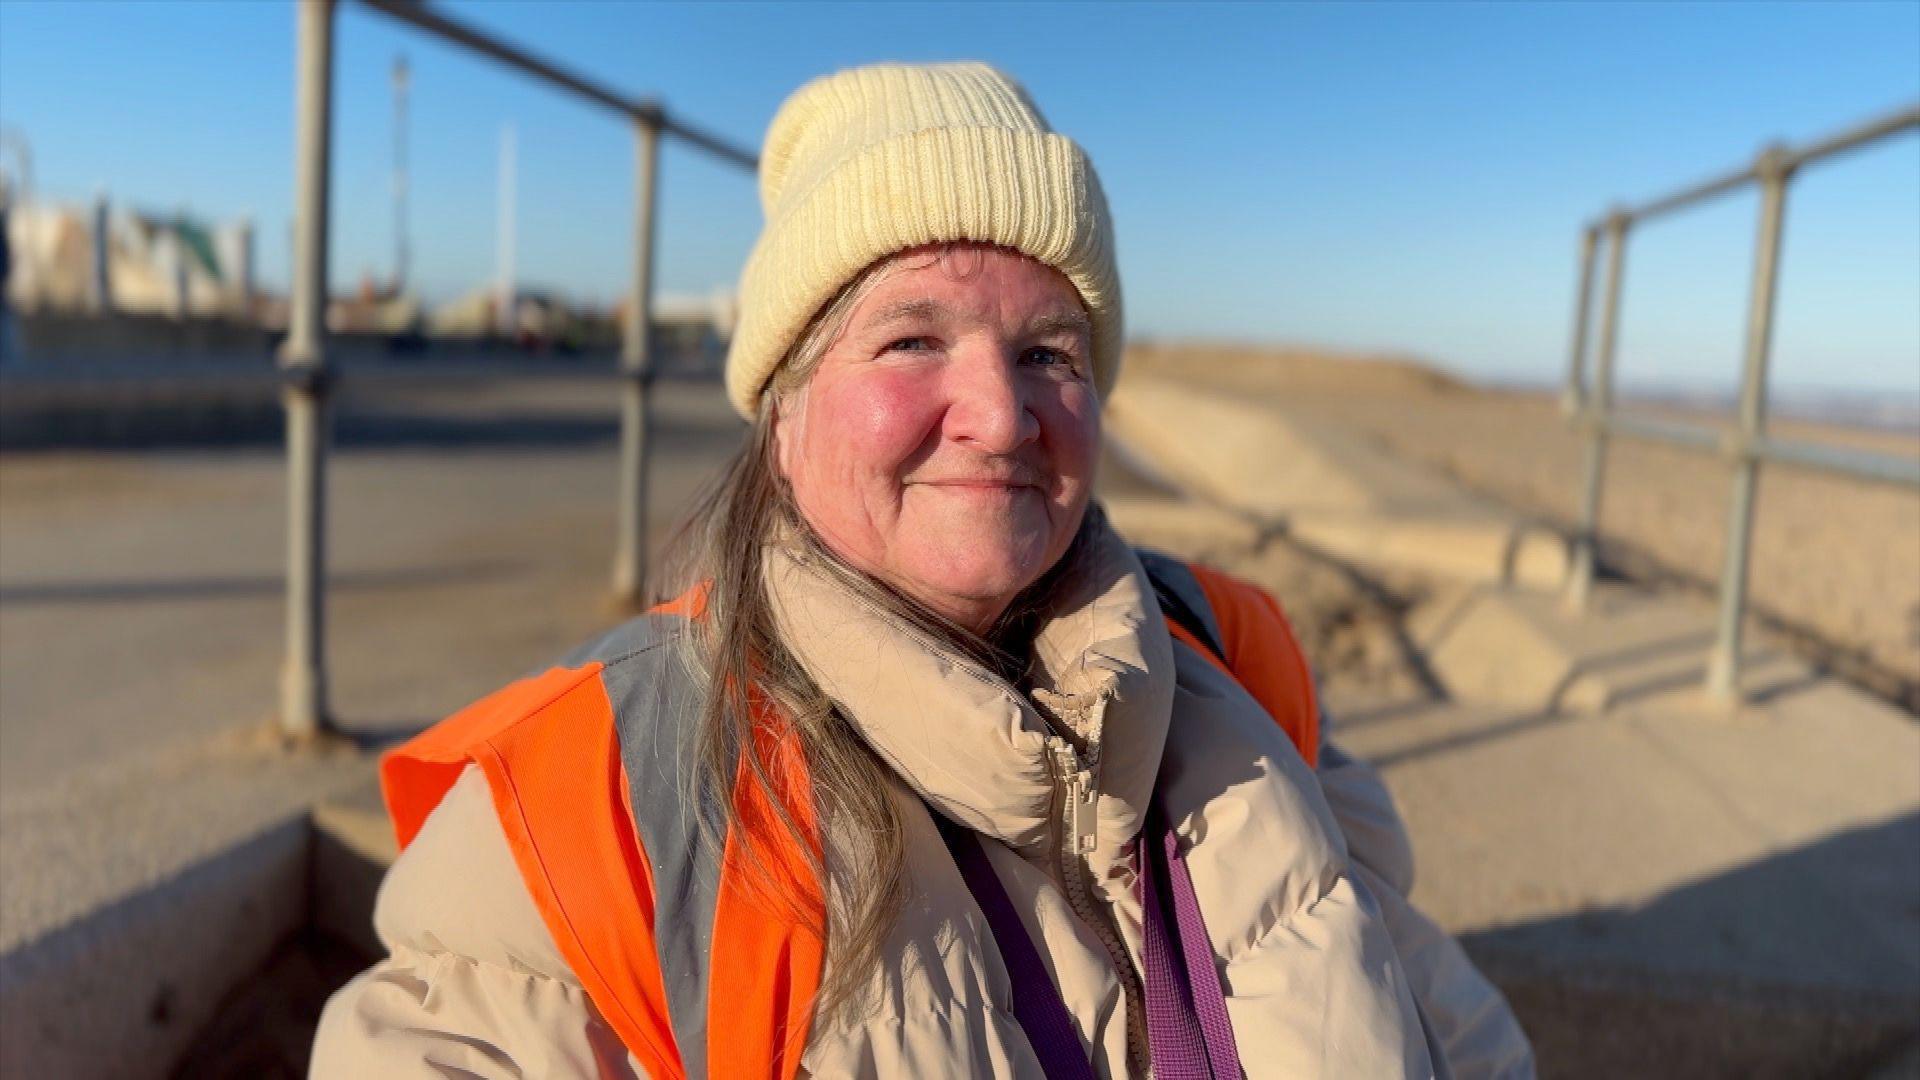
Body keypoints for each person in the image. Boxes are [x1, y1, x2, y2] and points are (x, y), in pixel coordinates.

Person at [311, 62, 1533, 1079]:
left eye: (1049, 349)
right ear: (785, 415)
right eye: (912, 338)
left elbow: (1436, 1014)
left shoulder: (1237, 661)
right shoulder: (609, 796)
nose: (1001, 416)